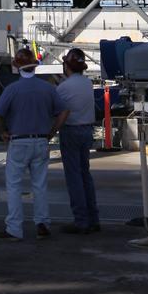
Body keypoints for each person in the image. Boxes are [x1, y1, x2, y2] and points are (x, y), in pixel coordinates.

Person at [0, 47, 68, 241]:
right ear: (35, 66)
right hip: (41, 141)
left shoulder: (12, 89)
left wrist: (3, 132)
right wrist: (52, 131)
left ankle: (14, 229)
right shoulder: (47, 88)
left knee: (15, 186)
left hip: (18, 141)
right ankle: (42, 223)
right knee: (40, 185)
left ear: (17, 67)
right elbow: (64, 112)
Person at [56, 48, 100, 235]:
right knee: (85, 175)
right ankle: (93, 219)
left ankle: (81, 221)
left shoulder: (63, 87)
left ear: (67, 65)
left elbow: (56, 109)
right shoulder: (87, 83)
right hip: (87, 130)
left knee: (74, 177)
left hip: (71, 132)